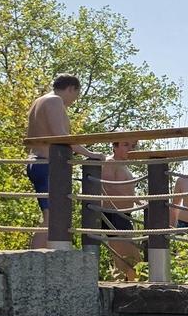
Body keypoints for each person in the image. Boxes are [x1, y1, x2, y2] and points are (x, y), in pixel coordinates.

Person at [24, 74, 81, 249]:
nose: (74, 100)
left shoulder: (38, 101)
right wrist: (89, 153)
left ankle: (39, 260)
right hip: (47, 164)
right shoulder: (55, 101)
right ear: (71, 88)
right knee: (52, 217)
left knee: (50, 216)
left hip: (37, 163)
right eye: (76, 94)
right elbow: (60, 134)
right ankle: (36, 262)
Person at [81, 136, 143, 278]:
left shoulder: (124, 166)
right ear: (115, 146)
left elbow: (128, 191)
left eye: (133, 145)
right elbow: (107, 187)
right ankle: (121, 288)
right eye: (126, 144)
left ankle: (129, 286)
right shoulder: (111, 162)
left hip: (124, 215)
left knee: (133, 259)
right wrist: (132, 199)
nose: (130, 148)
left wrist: (141, 202)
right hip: (113, 215)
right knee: (126, 260)